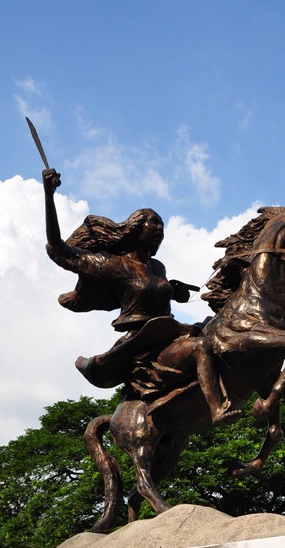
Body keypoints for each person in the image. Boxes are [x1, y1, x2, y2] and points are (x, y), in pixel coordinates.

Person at [41, 167, 239, 425]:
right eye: (153, 223)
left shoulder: (158, 267)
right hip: (141, 340)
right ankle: (217, 409)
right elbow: (59, 250)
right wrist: (49, 195)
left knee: (218, 332)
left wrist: (174, 292)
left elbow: (155, 295)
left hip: (168, 332)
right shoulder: (112, 264)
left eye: (162, 226)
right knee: (200, 346)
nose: (159, 229)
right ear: (135, 227)